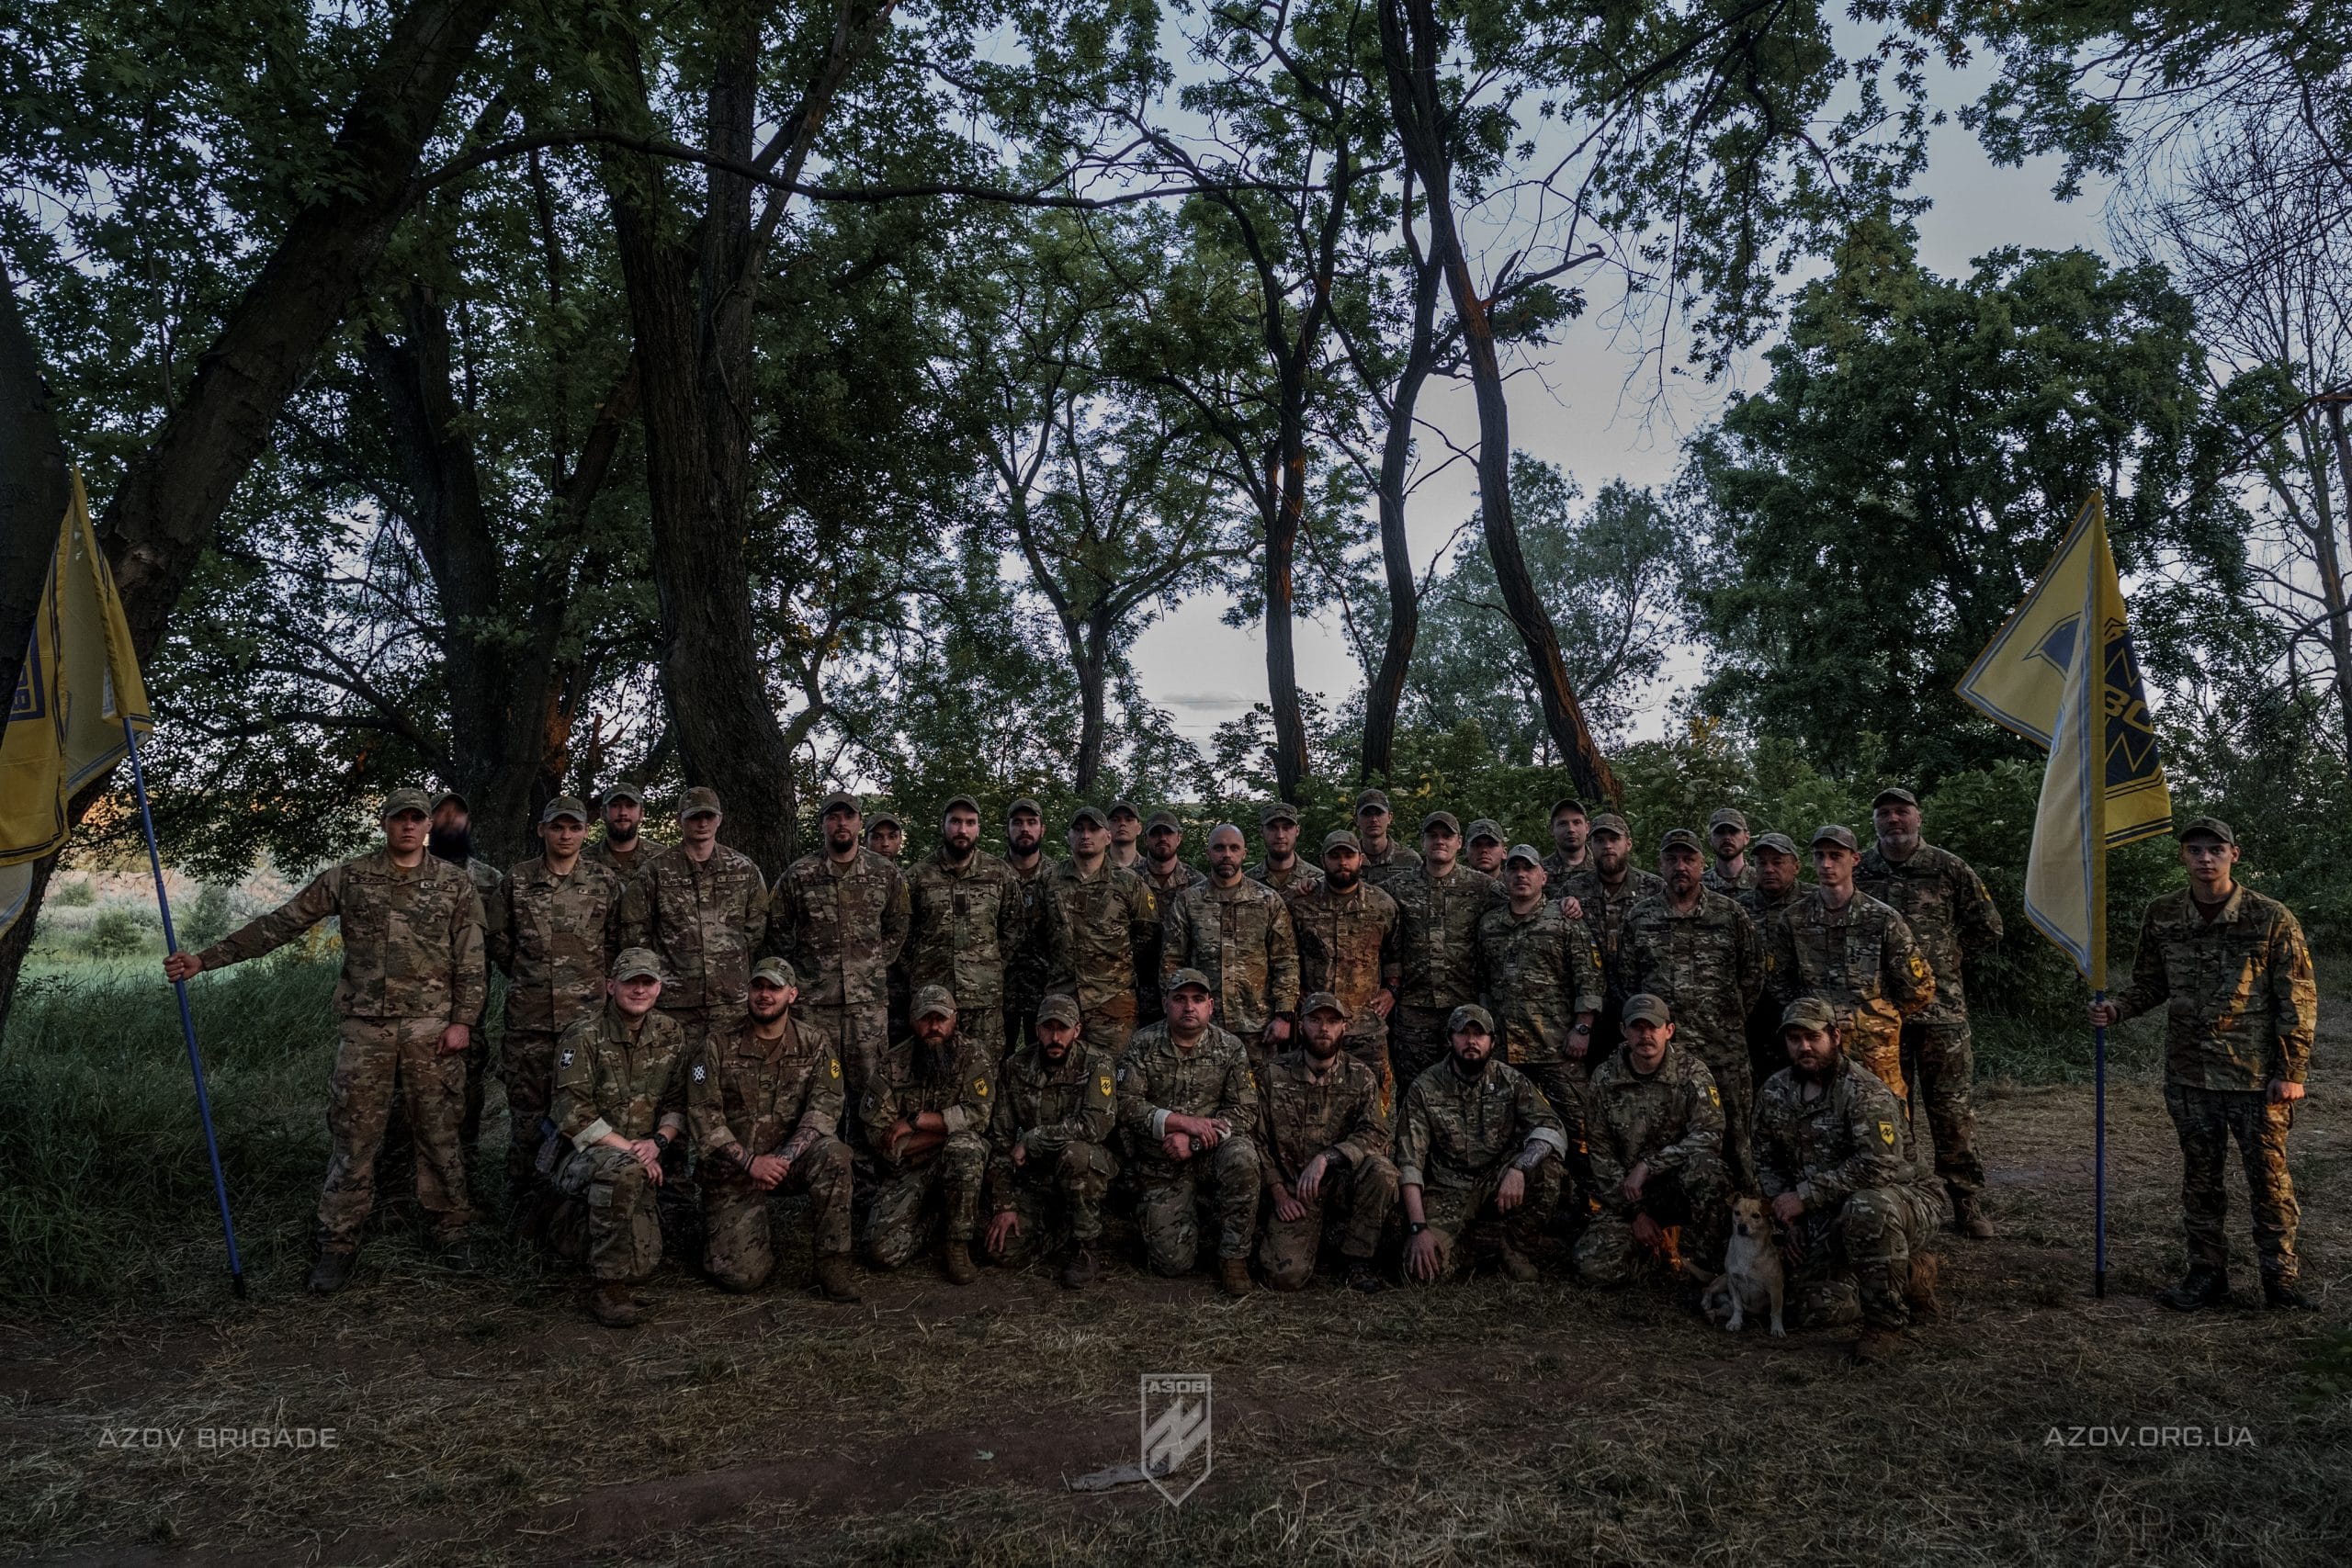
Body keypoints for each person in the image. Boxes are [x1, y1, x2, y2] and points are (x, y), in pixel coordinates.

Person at [165, 787, 486, 1292]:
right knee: (354, 1139)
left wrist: (462, 1020)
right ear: (384, 823)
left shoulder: (454, 885)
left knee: (439, 1134)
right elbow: (283, 923)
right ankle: (337, 1244)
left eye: (416, 819)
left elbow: (470, 956)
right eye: (398, 818)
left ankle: (452, 1233)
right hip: (365, 1032)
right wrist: (206, 959)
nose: (407, 826)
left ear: (428, 826)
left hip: (431, 1030)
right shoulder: (350, 877)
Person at [2089, 818, 2316, 1311]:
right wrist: (2118, 1009)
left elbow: (2296, 999)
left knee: (2269, 1181)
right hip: (2190, 1073)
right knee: (2201, 1179)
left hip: (2255, 1077)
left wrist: (2291, 1072)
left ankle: (2280, 1281)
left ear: (2234, 854)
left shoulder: (2270, 916)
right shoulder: (2164, 914)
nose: (2205, 858)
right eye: (2195, 850)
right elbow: (2152, 983)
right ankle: (2206, 1275)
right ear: (2183, 857)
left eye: (2216, 849)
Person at [1753, 998, 1946, 1361]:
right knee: (1807, 1309)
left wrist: (1805, 1197)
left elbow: (1879, 1165)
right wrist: (1788, 1216)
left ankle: (1884, 1325)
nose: (1804, 1047)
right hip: (1825, 1209)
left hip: (1899, 1199)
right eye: (1794, 1038)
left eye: (1813, 1037)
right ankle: (1900, 1274)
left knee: (1866, 1207)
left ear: (1835, 1036)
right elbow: (1767, 1162)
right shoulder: (1775, 1092)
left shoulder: (1864, 1091)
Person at [1859, 787, 2005, 1238]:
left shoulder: (1948, 867)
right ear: (1876, 822)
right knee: (1889, 1109)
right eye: (1884, 814)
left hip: (1942, 1013)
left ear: (1918, 818)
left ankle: (1965, 1200)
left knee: (1951, 1109)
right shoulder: (1860, 869)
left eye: (1902, 811)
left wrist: (1949, 957)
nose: (1893, 820)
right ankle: (1904, 1198)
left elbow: (1989, 925)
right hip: (1883, 1015)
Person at [687, 957, 859, 1302]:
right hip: (733, 1168)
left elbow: (824, 1109)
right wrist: (749, 1162)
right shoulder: (717, 1045)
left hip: (787, 1164)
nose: (764, 995)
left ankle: (832, 1263)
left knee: (835, 1156)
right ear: (748, 992)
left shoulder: (814, 1043)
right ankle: (727, 1232)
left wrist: (780, 1159)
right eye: (758, 987)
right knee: (742, 1278)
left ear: (791, 995)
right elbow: (704, 1116)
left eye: (774, 988)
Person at [485, 796, 626, 1199]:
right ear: (542, 830)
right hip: (528, 1021)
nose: (565, 835)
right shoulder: (517, 880)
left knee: (586, 1109)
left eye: (574, 828)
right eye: (557, 827)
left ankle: (580, 1196)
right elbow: (499, 938)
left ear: (585, 832)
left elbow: (617, 942)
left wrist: (595, 983)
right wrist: (530, 975)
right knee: (527, 1113)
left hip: (586, 1022)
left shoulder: (604, 882)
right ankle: (525, 1197)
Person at [548, 948, 692, 1326]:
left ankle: (575, 1231)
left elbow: (679, 1101)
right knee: (625, 1171)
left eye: (648, 982)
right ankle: (605, 1287)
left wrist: (658, 1141)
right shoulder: (583, 1035)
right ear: (611, 986)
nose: (640, 990)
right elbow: (573, 1115)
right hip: (584, 1157)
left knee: (643, 1264)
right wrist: (633, 1151)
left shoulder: (670, 1034)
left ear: (659, 987)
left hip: (644, 1156)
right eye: (631, 982)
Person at [1620, 829, 1765, 1189]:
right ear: (1660, 865)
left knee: (1736, 1140)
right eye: (1672, 859)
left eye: (1688, 859)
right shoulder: (1640, 917)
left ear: (1702, 864)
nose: (1680, 867)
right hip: (1665, 1056)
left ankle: (1747, 1214)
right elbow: (1626, 982)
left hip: (1724, 1052)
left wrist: (1727, 1019)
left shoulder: (1730, 914)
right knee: (1668, 1139)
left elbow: (1753, 975)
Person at [1762, 825, 1934, 1117]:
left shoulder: (1882, 919)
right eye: (1820, 856)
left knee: (1888, 1131)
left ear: (1855, 859)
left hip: (1873, 1052)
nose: (1827, 864)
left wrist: (1875, 1017)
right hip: (1816, 1051)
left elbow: (1919, 986)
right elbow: (1778, 981)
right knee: (1822, 1128)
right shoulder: (1794, 920)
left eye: (1836, 855)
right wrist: (1808, 1018)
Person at [1395, 1004, 1568, 1283]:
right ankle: (1478, 1244)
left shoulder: (1511, 1081)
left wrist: (1519, 1169)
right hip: (1449, 1187)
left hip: (1498, 1180)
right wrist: (1418, 1228)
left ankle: (1516, 1248)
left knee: (1546, 1167)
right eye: (1463, 1033)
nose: (1472, 1041)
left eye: (1480, 1034)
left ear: (1493, 1042)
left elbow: (1551, 1127)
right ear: (1449, 1039)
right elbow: (1409, 1161)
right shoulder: (1424, 1088)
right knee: (1422, 1274)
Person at [1115, 968, 1262, 1295]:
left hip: (1208, 1154)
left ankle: (1233, 1256)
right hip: (1162, 1162)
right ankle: (1183, 1217)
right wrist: (1181, 1121)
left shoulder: (1230, 1048)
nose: (1189, 1007)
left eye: (1197, 999)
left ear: (1211, 1006)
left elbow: (1246, 1110)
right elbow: (1125, 1105)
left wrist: (1195, 1141)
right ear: (1166, 1003)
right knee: (1171, 1264)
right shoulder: (1142, 1044)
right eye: (1180, 999)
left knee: (1243, 1156)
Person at [1574, 994, 1729, 1285]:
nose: (1645, 1035)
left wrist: (1650, 1165)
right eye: (1637, 1027)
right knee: (1593, 1267)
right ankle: (1654, 1256)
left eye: (1653, 1027)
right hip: (1630, 1194)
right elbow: (1601, 1154)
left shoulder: (1692, 1073)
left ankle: (1704, 1262)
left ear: (1669, 1030)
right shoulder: (1605, 1079)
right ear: (1624, 1031)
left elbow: (1710, 1136)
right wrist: (1636, 1214)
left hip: (1679, 1188)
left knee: (1708, 1171)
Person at [767, 791, 909, 1105]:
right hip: (815, 1004)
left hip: (867, 1005)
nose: (841, 823)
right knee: (813, 1086)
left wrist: (873, 964)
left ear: (859, 823)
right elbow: (778, 929)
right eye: (833, 817)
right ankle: (818, 1152)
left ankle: (866, 1155)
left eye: (848, 816)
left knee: (871, 1089)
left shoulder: (884, 874)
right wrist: (803, 973)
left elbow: (899, 924)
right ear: (822, 824)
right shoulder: (799, 874)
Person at [1256, 994, 1397, 1292]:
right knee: (1283, 1278)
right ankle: (1313, 1239)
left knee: (1382, 1171)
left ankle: (1356, 1260)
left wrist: (1328, 1158)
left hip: (1343, 1185)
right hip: (1296, 1192)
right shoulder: (1273, 1075)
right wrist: (1279, 1193)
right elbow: (1257, 1138)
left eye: (1333, 1021)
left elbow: (1375, 1131)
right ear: (1301, 1025)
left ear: (1344, 1028)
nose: (1324, 1028)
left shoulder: (1361, 1077)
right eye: (1315, 1020)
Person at [623, 786, 768, 1064]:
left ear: (719, 819)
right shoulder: (656, 871)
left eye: (708, 816)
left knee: (730, 1071)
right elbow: (635, 930)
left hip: (729, 997)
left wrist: (728, 959)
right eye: (693, 817)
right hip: (675, 999)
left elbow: (756, 924)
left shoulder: (743, 869)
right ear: (679, 820)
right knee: (674, 1073)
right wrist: (662, 969)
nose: (702, 823)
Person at [1474, 843, 1602, 1152]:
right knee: (1509, 1132)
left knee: (1579, 1130)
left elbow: (1590, 978)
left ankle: (1585, 1199)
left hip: (1557, 1048)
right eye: (1514, 869)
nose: (1521, 875)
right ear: (1504, 876)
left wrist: (1582, 1029)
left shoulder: (1563, 919)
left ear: (1543, 876)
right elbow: (1482, 983)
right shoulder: (1490, 924)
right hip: (1507, 1052)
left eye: (1528, 869)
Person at [861, 986, 993, 1282]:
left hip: (958, 1162)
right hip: (909, 1170)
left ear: (954, 1019)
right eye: (925, 1018)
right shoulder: (893, 1065)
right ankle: (936, 1222)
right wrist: (946, 1131)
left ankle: (957, 1244)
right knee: (880, 1251)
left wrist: (916, 1121)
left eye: (941, 1018)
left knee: (965, 1148)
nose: (934, 1027)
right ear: (912, 1021)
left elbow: (980, 1117)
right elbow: (879, 1136)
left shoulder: (973, 1056)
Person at [984, 994, 1118, 1288]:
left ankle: (1086, 1249)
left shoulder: (1097, 1063)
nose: (1055, 1037)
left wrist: (1035, 1138)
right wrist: (1004, 1205)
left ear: (1077, 1030)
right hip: (1035, 1178)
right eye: (1048, 1028)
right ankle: (1061, 1227)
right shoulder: (1015, 1067)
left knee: (1076, 1154)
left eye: (1063, 1029)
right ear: (1037, 1029)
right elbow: (1000, 1138)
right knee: (1001, 1251)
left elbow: (1096, 1125)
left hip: (1084, 1166)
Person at [1161, 823, 1300, 1070]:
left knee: (1259, 1099)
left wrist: (1284, 1015)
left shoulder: (1267, 901)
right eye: (1219, 848)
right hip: (1202, 1025)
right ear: (1209, 852)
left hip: (1257, 1025)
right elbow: (1171, 961)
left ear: (1244, 853)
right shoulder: (1188, 901)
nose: (1227, 854)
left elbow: (1286, 960)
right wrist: (1178, 1012)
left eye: (1234, 848)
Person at [904, 795, 1024, 1060]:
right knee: (931, 1070)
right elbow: (902, 934)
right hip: (932, 1000)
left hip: (984, 1001)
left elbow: (1013, 928)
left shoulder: (999, 874)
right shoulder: (917, 876)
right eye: (955, 822)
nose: (962, 830)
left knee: (985, 1071)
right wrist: (921, 969)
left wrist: (989, 965)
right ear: (943, 825)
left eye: (970, 823)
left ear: (978, 828)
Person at [1387, 812, 1503, 1087]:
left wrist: (1567, 903)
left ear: (1459, 842)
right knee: (1413, 1090)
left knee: (1467, 1086)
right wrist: (1313, 885)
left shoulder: (1483, 887)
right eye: (1433, 835)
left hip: (1465, 1009)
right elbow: (1362, 901)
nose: (1440, 841)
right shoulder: (1397, 887)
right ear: (1423, 842)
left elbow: (1528, 901)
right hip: (1414, 1011)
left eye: (1447, 835)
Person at [1283, 830, 1401, 1089]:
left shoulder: (1382, 905)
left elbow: (1395, 954)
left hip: (1365, 1025)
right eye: (1335, 856)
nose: (1342, 862)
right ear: (1323, 860)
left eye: (1349, 855)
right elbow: (1285, 956)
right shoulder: (1301, 904)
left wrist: (1391, 989)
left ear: (1361, 858)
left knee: (1372, 1101)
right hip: (1316, 1025)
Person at [428, 789, 504, 1188]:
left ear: (468, 823)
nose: (449, 820)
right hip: (415, 1011)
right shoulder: (409, 871)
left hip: (470, 1013)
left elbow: (507, 943)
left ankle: (464, 1174)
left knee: (467, 1094)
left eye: (457, 814)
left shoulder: (490, 880)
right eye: (440, 813)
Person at [1044, 805, 1159, 1058]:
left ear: (1107, 837)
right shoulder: (1049, 881)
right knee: (1062, 1077)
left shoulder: (1129, 883)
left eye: (1094, 829)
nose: (1086, 835)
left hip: (1113, 1004)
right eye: (1079, 829)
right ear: (1069, 837)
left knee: (1114, 1075)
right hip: (1063, 1001)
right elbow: (1035, 935)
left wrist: (1117, 972)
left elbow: (1147, 937)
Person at [1556, 812, 1664, 1055]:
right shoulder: (1573, 889)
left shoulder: (1655, 888)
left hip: (1644, 1009)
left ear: (1628, 843)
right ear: (1590, 845)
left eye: (1613, 839)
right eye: (1599, 840)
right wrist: (1564, 906)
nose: (1607, 846)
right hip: (1589, 1010)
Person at [1737, 832, 1807, 1087]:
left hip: (1801, 1014)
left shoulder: (1812, 904)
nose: (1768, 869)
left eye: (1777, 862)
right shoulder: (1738, 908)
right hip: (1754, 1016)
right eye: (1762, 863)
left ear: (1796, 866)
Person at [1001, 797, 1057, 1054]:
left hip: (1046, 987)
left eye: (1032, 822)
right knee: (997, 1058)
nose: (1025, 829)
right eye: (1018, 823)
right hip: (999, 988)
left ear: (1042, 829)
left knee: (1046, 1058)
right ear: (1008, 828)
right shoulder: (989, 875)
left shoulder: (1058, 877)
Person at [1135, 808, 1204, 1017]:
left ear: (1179, 838)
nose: (1162, 838)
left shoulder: (1197, 883)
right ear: (1145, 839)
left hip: (1185, 990)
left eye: (1168, 833)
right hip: (1137, 988)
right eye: (1155, 834)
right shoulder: (1130, 881)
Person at [585, 780, 656, 886]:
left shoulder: (662, 859)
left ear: (641, 814)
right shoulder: (581, 860)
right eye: (615, 805)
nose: (623, 813)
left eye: (630, 806)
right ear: (603, 813)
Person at [1246, 800, 1322, 894]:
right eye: (1272, 828)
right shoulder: (1246, 883)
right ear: (1261, 832)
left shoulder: (1319, 881)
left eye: (1286, 828)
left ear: (1297, 831)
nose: (1280, 835)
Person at [1353, 788, 1422, 888]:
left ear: (1390, 817)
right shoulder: (1347, 860)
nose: (1373, 820)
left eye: (1379, 813)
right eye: (1367, 814)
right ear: (1356, 819)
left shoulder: (1410, 860)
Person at [1541, 796, 1591, 894]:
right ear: (1551, 830)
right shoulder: (1539, 872)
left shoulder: (1603, 867)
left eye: (1577, 822)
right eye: (1563, 824)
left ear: (1587, 827)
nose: (1571, 829)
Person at [1702, 808, 1757, 897]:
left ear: (1747, 837)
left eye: (1733, 831)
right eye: (1720, 832)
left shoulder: (1762, 881)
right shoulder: (1698, 885)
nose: (1727, 837)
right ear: (1710, 840)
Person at [1106, 799, 1144, 871]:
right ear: (1107, 828)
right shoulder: (1094, 867)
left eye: (1129, 820)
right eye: (1115, 820)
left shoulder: (1152, 869)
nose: (1122, 823)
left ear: (1139, 828)